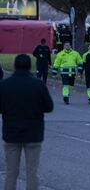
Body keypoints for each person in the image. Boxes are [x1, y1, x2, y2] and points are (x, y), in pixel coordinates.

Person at [0, 54, 53, 190]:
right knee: (32, 172)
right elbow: (49, 107)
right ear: (30, 66)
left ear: (14, 66)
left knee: (11, 172)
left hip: (11, 133)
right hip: (33, 133)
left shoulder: (5, 85)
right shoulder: (38, 84)